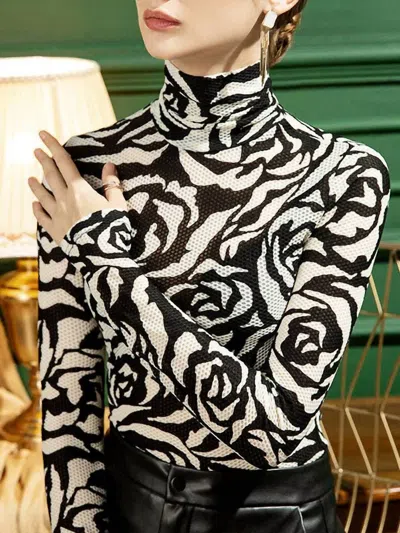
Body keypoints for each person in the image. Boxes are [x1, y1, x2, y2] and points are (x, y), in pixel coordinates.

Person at [35, 0, 391, 532]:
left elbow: (273, 430)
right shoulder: (85, 167)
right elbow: (68, 415)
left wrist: (108, 260)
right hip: (131, 507)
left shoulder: (343, 177)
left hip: (277, 517)